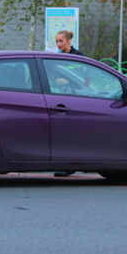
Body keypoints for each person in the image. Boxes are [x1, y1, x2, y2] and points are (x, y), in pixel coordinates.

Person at [53, 30, 83, 178]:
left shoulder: (78, 56)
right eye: (57, 41)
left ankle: (70, 165)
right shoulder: (56, 57)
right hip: (59, 97)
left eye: (61, 41)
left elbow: (83, 78)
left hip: (75, 98)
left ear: (69, 41)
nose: (58, 44)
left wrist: (67, 82)